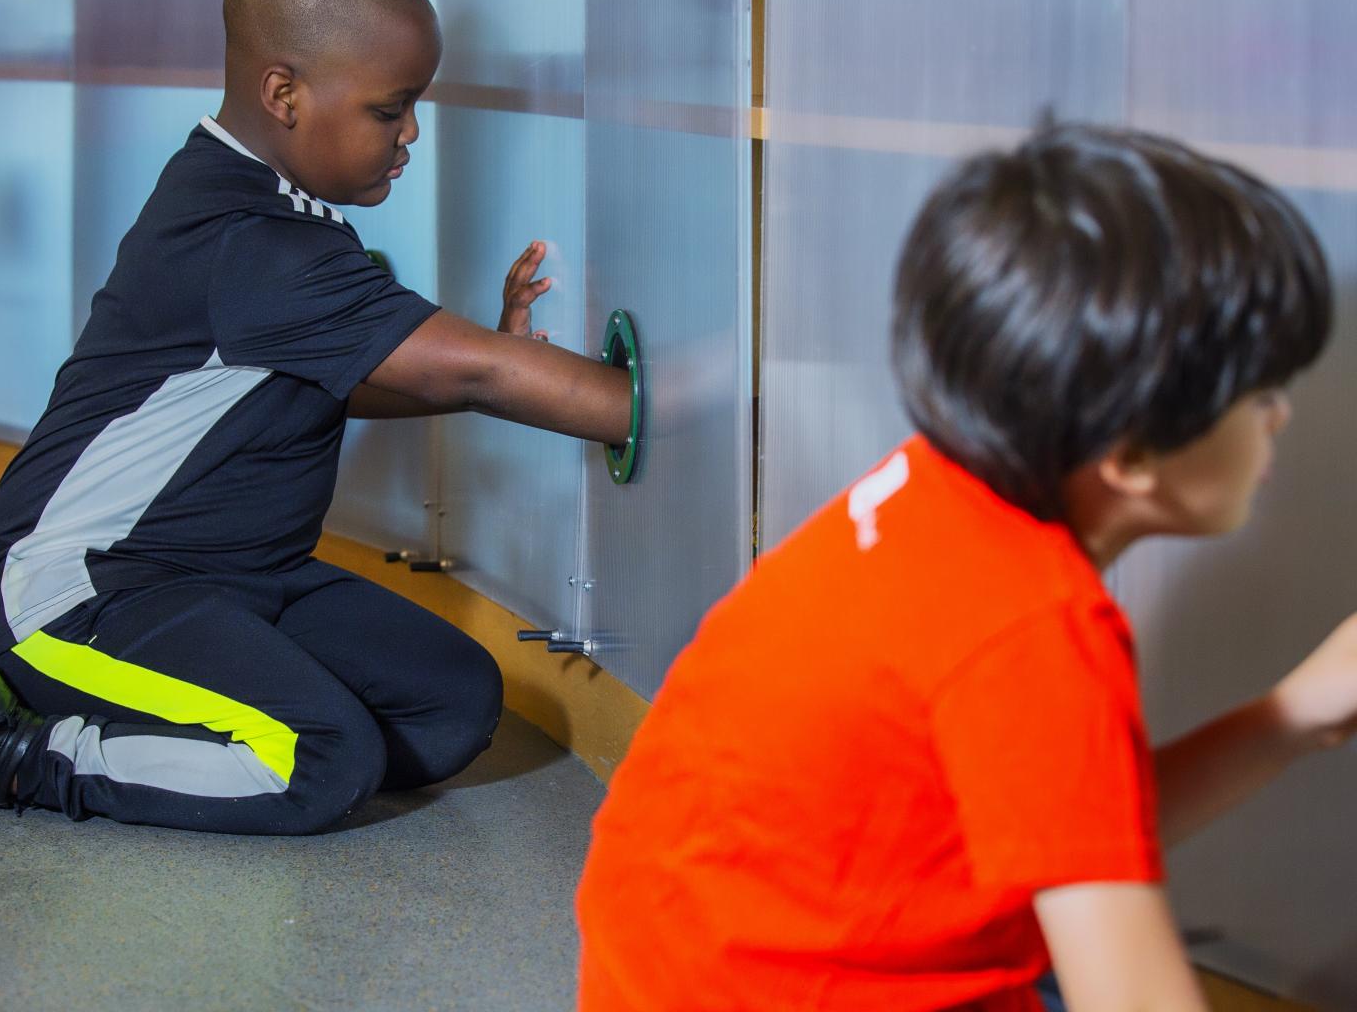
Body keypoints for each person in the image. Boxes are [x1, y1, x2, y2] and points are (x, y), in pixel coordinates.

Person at [0, 0, 632, 835]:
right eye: (391, 109)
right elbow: (477, 375)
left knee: (453, 704)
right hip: (80, 594)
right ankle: (14, 752)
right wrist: (669, 412)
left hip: (235, 576)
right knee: (327, 762)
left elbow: (355, 372)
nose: (411, 133)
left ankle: (204, 719)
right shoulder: (251, 242)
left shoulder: (270, 206)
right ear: (285, 94)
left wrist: (498, 358)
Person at [575, 125, 1357, 1010]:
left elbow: (1078, 822)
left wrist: (1297, 716)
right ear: (1132, 455)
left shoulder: (931, 494)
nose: (1282, 420)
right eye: (1262, 396)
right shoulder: (1035, 625)